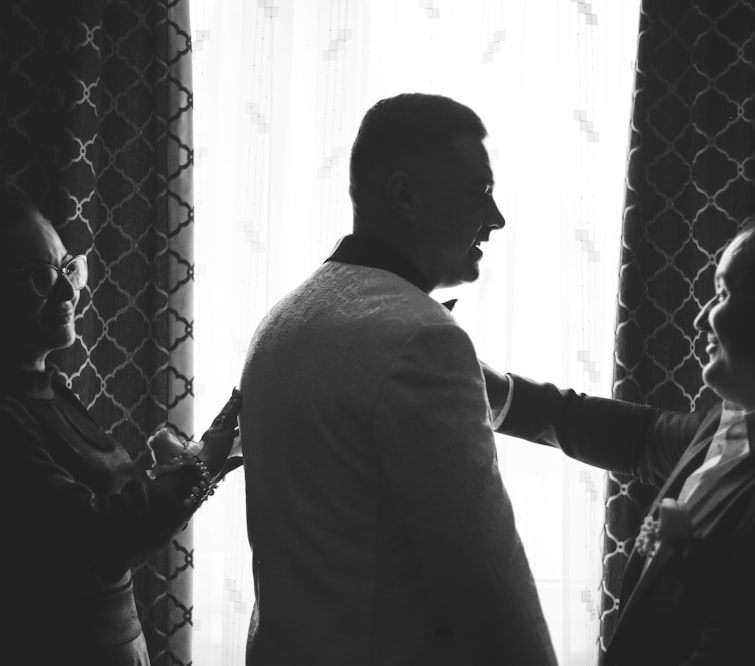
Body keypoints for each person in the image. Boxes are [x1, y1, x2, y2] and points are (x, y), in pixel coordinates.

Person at [239, 93, 557, 665]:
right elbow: (485, 577)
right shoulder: (421, 337)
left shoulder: (284, 319)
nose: (497, 217)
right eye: (479, 192)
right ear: (406, 196)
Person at [483, 210, 755, 665]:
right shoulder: (738, 417)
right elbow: (641, 437)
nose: (699, 320)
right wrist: (495, 395)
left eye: (723, 293)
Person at [0, 187, 242, 665]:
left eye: (68, 267)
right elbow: (94, 535)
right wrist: (199, 466)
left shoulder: (43, 388)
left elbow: (104, 505)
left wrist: (164, 470)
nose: (69, 291)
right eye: (38, 278)